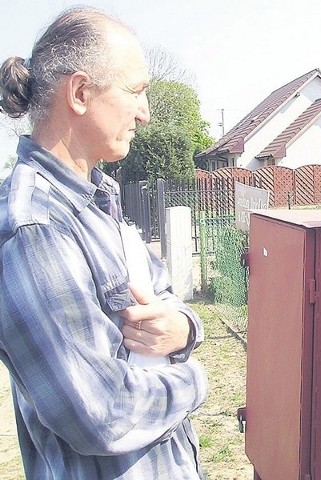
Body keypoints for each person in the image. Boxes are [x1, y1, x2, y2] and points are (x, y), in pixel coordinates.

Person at [0, 7, 208, 479]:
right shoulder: (34, 229)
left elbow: (167, 299)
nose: (145, 113)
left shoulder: (100, 198)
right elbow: (99, 414)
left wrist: (185, 329)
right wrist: (195, 380)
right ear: (79, 93)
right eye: (135, 91)